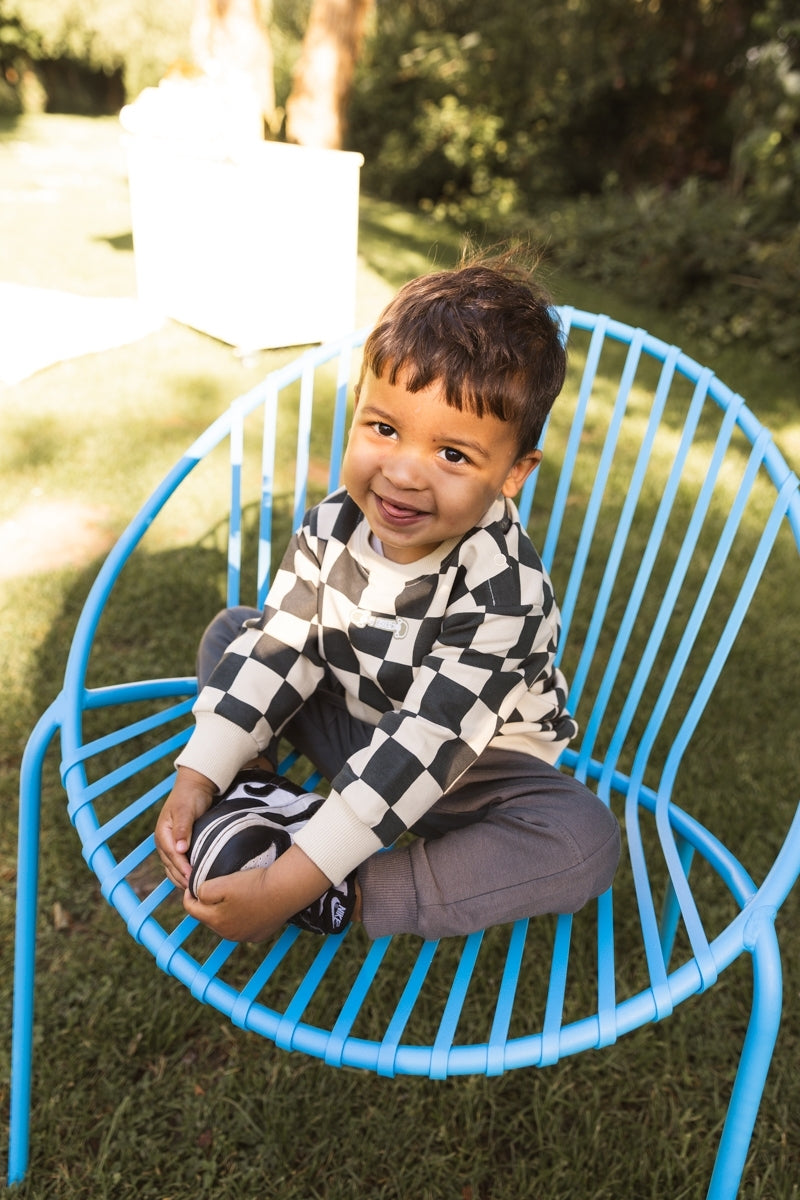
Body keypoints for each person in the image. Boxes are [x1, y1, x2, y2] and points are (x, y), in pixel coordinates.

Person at [155, 248, 621, 944]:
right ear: (357, 412)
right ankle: (255, 796)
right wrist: (199, 774)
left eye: (453, 454)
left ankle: (346, 891)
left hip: (472, 767)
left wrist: (288, 887)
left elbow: (425, 743)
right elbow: (285, 646)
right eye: (385, 428)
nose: (403, 472)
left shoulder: (506, 592)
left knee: (583, 840)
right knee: (240, 633)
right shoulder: (333, 525)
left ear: (513, 474)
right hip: (358, 719)